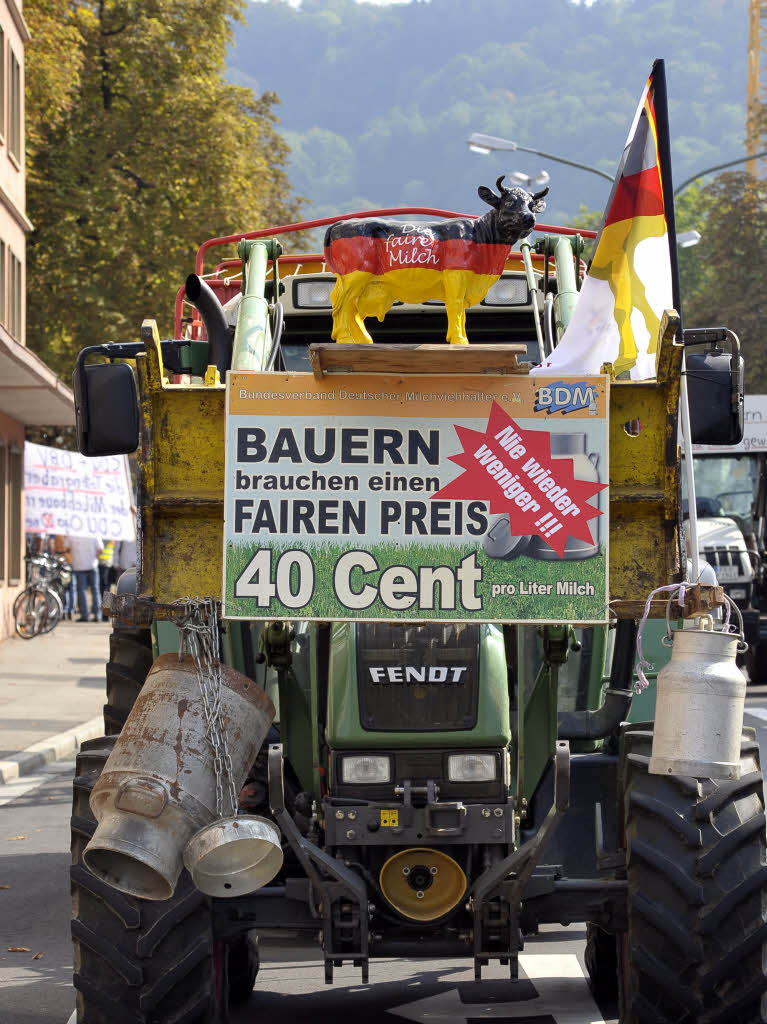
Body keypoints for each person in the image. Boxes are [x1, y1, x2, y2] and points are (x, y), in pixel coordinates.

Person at [68, 535, 104, 622]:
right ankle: (97, 615)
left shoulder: (73, 533)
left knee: (82, 591)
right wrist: (93, 556)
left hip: (79, 565)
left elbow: (67, 548)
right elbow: (101, 549)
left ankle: (85, 615)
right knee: (95, 590)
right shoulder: (93, 532)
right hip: (92, 565)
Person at [98, 540, 116, 621]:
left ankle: (106, 614)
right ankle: (105, 614)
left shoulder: (106, 533)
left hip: (105, 564)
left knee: (105, 591)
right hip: (106, 563)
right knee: (106, 591)